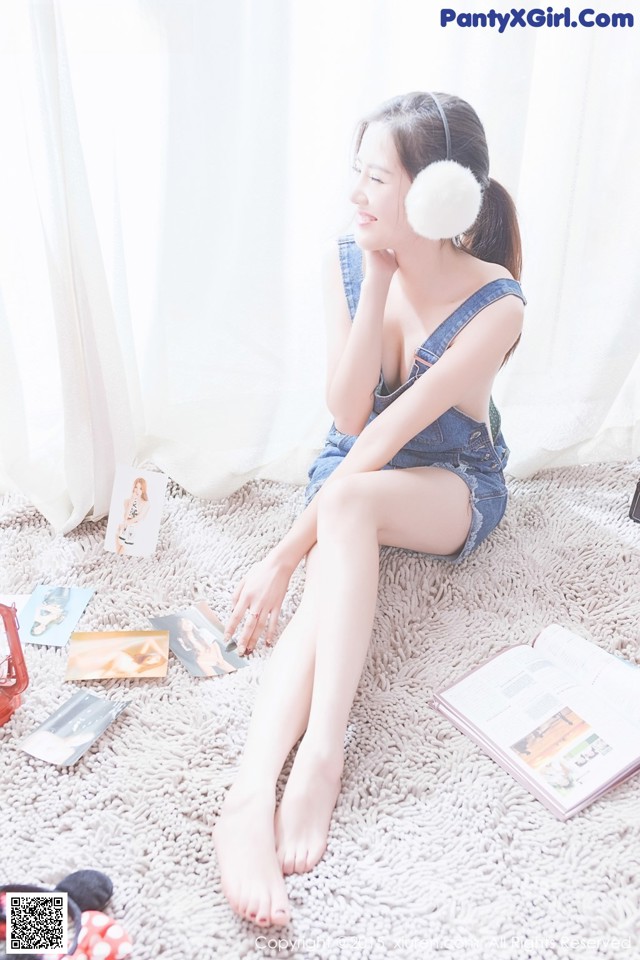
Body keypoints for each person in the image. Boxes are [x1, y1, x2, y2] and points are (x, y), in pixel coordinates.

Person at [214, 91, 525, 927]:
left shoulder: (497, 303)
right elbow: (351, 417)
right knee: (339, 535)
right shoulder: (350, 262)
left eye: (377, 177)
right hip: (353, 465)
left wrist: (282, 554)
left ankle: (324, 753)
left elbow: (391, 433)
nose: (356, 192)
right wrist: (380, 275)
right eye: (358, 172)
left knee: (345, 505)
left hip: (451, 479)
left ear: (439, 194)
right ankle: (248, 797)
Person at [115, 477, 150, 554]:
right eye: (136, 487)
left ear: (144, 490)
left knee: (123, 550)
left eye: (140, 488)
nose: (137, 490)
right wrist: (132, 500)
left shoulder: (146, 503)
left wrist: (127, 523)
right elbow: (125, 516)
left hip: (133, 532)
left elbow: (139, 517)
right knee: (118, 551)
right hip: (123, 529)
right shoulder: (127, 501)